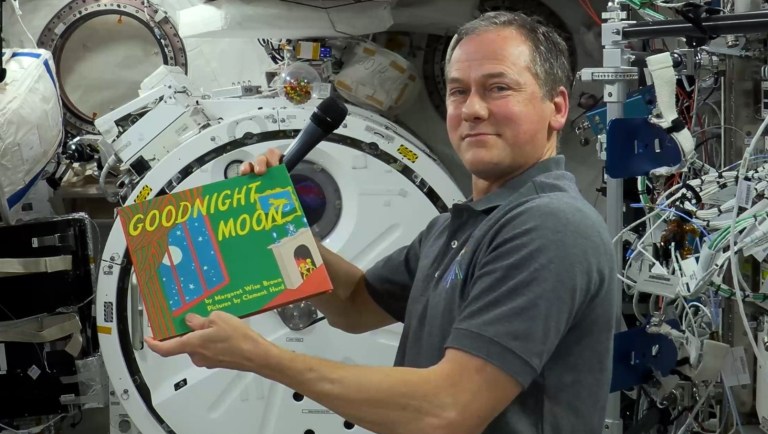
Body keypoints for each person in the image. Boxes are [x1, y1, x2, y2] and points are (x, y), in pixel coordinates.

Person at [146, 10, 618, 434]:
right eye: (458, 91)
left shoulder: (549, 227)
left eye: (499, 88)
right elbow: (354, 304)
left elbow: (448, 410)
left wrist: (262, 357)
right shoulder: (460, 226)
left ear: (557, 107)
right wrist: (279, 221)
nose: (472, 109)